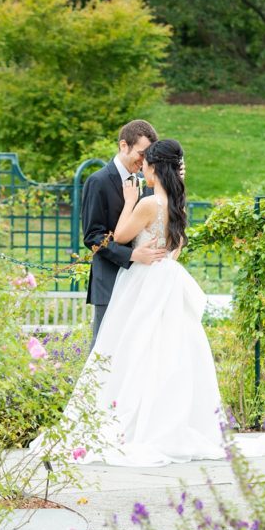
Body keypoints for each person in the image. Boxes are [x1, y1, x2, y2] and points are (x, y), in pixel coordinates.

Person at [53, 138, 225, 466]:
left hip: (144, 280)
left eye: (147, 163)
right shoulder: (178, 204)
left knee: (129, 348)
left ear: (155, 168)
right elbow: (177, 246)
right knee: (164, 352)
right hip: (167, 278)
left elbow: (118, 236)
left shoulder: (148, 203)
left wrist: (131, 200)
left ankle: (134, 425)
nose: (142, 167)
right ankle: (162, 420)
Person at [81, 119, 165, 347]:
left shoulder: (147, 183)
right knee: (103, 349)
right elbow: (93, 237)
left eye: (148, 155)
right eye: (141, 153)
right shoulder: (97, 181)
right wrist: (131, 255)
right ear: (123, 145)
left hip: (141, 282)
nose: (144, 160)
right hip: (109, 280)